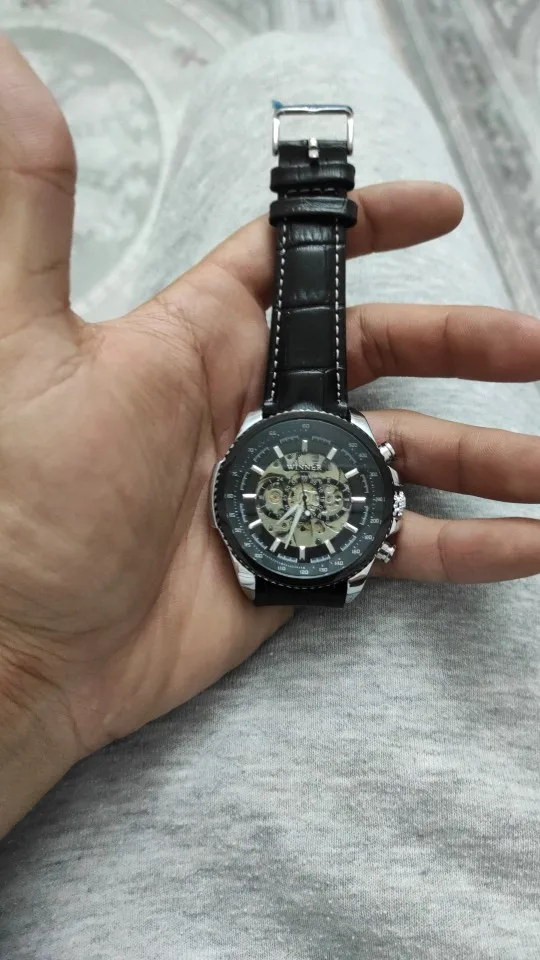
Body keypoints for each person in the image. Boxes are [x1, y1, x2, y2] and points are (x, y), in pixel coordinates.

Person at [0, 23, 539, 960]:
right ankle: (313, 74)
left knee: (285, 66)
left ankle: (298, 80)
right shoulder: (255, 478)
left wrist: (25, 660)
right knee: (321, 63)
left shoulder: (268, 472)